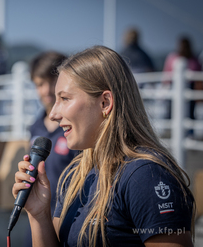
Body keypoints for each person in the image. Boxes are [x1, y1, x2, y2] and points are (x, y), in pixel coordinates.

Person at [12, 45, 195, 246]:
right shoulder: (75, 174)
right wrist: (38, 214)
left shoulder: (146, 175)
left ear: (105, 102)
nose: (54, 114)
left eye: (64, 99)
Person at [24, 52, 79, 247]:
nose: (46, 90)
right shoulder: (34, 127)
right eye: (39, 84)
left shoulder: (77, 128)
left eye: (51, 82)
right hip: (37, 218)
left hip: (70, 219)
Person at [163, 36, 202, 126]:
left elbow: (166, 74)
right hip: (184, 87)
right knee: (185, 112)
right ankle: (185, 131)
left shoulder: (173, 58)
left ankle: (176, 130)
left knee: (183, 112)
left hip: (184, 87)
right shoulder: (194, 60)